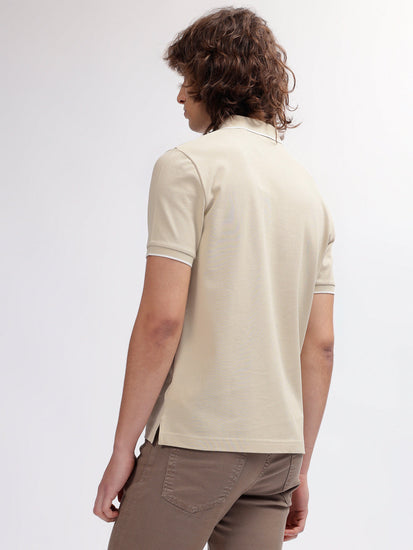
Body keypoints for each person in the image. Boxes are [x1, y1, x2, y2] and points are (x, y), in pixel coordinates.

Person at [93, 6, 336, 550]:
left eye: (186, 79)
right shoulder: (309, 192)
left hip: (195, 444)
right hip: (276, 456)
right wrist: (300, 466)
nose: (180, 96)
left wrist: (122, 451)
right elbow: (321, 346)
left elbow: (162, 321)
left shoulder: (187, 166)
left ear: (214, 79)